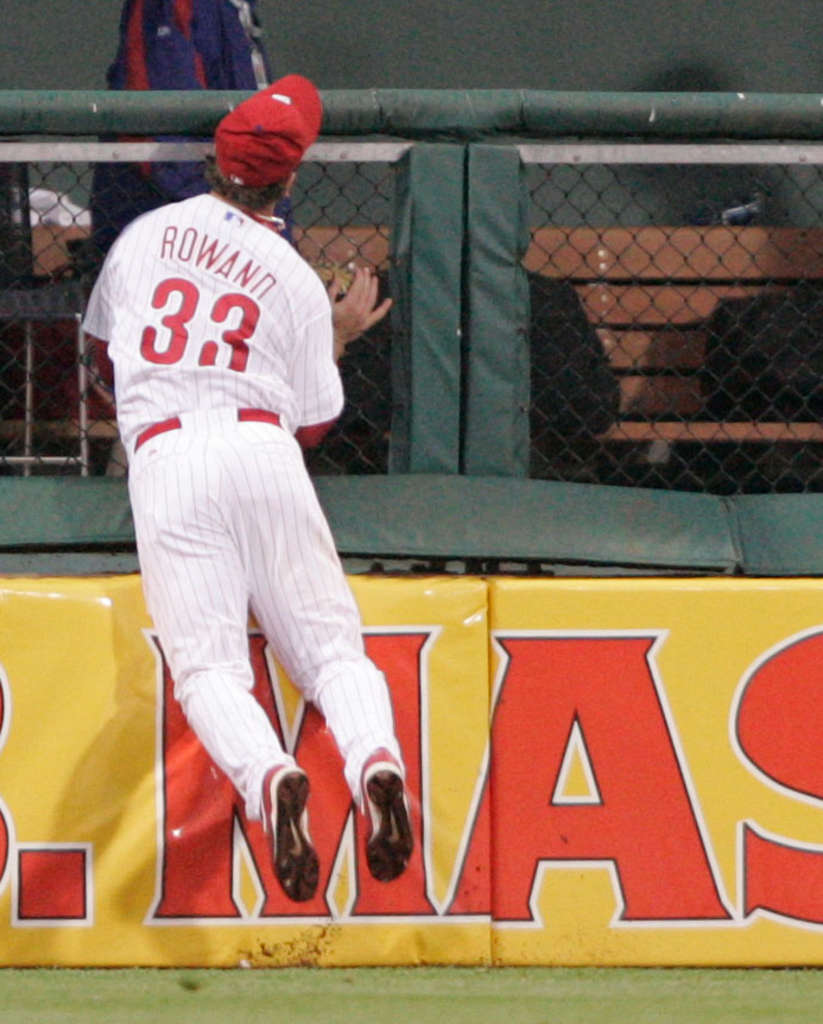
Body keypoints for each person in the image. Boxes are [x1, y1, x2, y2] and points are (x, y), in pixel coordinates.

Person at [81, 74, 413, 902]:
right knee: (333, 653)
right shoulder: (296, 279)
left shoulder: (144, 235)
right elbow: (309, 425)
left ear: (212, 160)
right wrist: (334, 336)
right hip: (263, 451)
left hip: (168, 455)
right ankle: (376, 760)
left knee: (210, 673)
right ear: (289, 178)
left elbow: (97, 361)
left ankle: (270, 778)